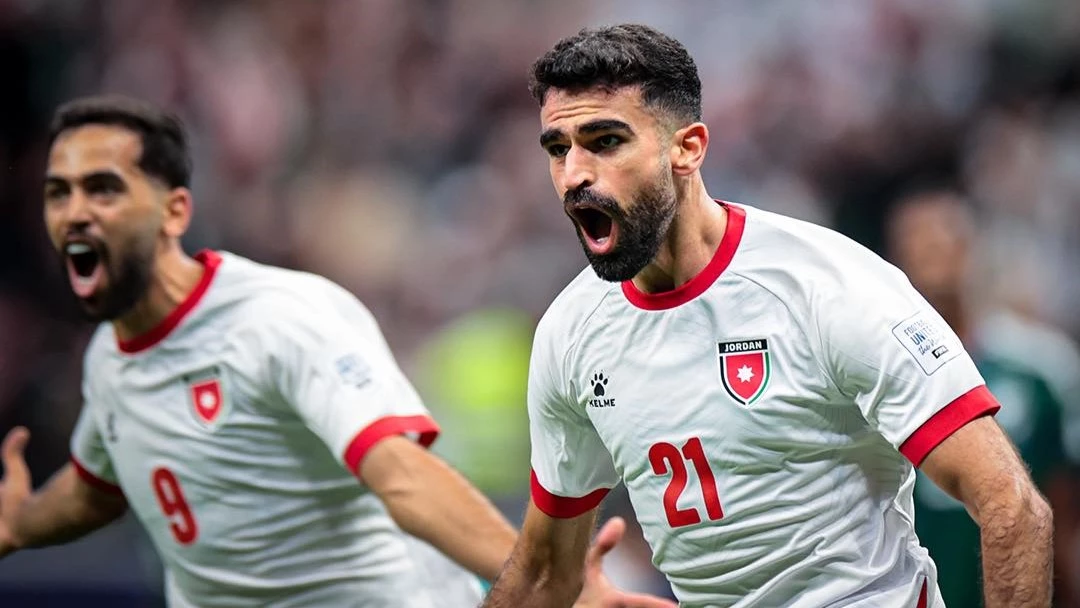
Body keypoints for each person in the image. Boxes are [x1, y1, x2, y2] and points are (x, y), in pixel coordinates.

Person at [0, 95, 674, 608]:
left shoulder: (278, 319)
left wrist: (557, 587)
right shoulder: (110, 359)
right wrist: (22, 524)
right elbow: (96, 487)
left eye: (103, 188)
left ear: (175, 211)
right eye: (59, 192)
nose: (75, 212)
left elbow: (404, 478)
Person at [481, 24, 1053, 608]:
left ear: (688, 148)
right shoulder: (570, 334)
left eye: (605, 141)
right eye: (558, 149)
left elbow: (1011, 506)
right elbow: (546, 574)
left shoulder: (827, 286)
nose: (574, 174)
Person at [886, 189, 1080, 608]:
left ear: (970, 249)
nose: (931, 254)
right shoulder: (875, 377)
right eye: (917, 244)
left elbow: (1064, 505)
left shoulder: (1038, 367)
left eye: (942, 241)